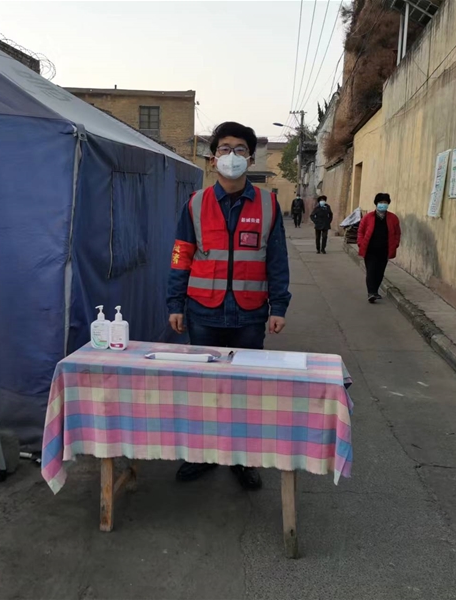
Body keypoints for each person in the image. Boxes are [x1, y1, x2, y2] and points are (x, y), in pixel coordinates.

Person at [167, 121, 292, 491]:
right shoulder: (195, 204)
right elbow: (181, 255)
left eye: (240, 149)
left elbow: (277, 260)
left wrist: (279, 306)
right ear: (213, 158)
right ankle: (203, 454)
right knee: (205, 387)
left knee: (245, 388)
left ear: (250, 159)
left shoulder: (268, 204)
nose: (232, 155)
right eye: (224, 148)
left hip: (249, 314)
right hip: (202, 311)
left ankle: (241, 458)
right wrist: (175, 303)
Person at [357, 193, 401, 303]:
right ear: (376, 204)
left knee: (380, 272)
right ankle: (371, 293)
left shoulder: (393, 218)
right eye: (381, 202)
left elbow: (397, 233)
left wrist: (395, 243)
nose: (383, 204)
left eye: (385, 202)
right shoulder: (368, 217)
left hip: (384, 250)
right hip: (370, 250)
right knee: (371, 271)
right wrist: (360, 243)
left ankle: (375, 291)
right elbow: (361, 231)